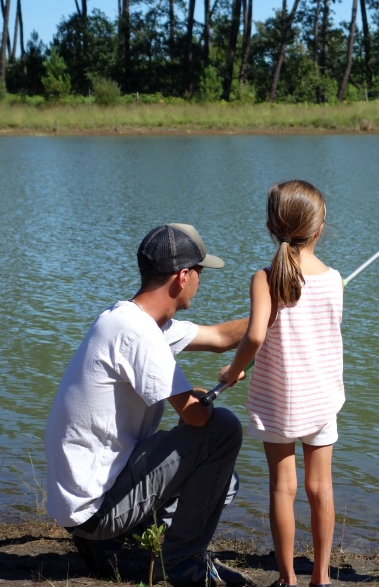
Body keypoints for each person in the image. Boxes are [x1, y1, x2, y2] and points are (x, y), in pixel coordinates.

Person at [45, 223, 250, 587]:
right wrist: (218, 386)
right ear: (183, 277)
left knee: (225, 483)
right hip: (93, 509)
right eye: (200, 273)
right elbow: (196, 417)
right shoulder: (137, 333)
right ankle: (185, 564)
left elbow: (220, 337)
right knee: (223, 430)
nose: (201, 281)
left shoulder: (134, 320)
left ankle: (111, 543)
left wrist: (275, 317)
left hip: (86, 498)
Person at [218, 180, 343, 587]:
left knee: (283, 487)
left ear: (271, 226)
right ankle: (321, 578)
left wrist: (234, 370)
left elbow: (254, 336)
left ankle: (288, 579)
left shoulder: (264, 279)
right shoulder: (334, 278)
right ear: (319, 228)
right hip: (321, 398)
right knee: (320, 486)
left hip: (278, 401)